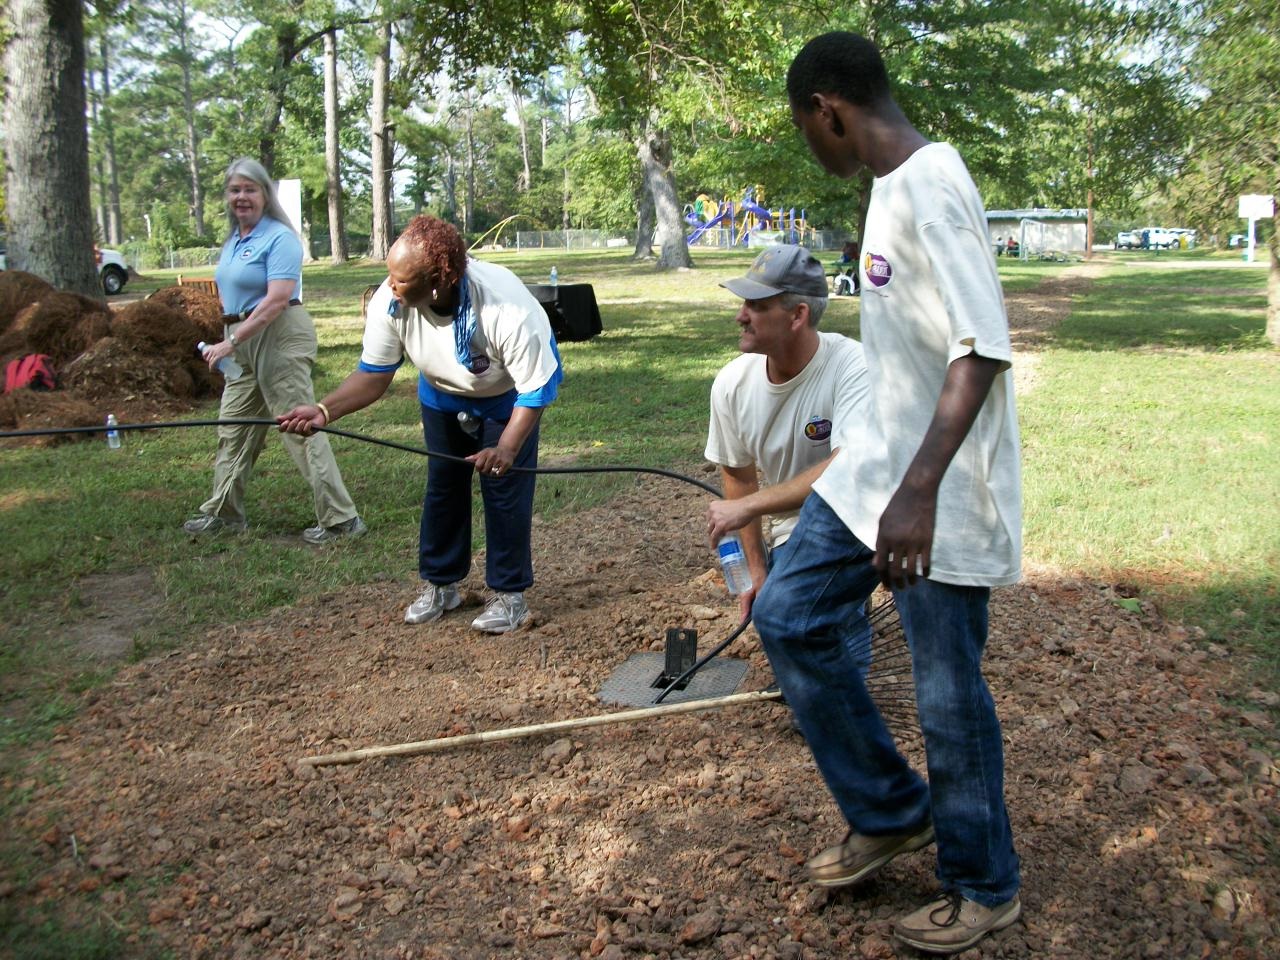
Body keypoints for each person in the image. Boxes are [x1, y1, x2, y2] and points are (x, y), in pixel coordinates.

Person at [754, 32, 1023, 955]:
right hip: (875, 472)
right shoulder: (884, 193)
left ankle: (985, 884)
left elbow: (981, 346)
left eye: (806, 131)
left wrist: (917, 493)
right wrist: (888, 479)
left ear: (827, 108)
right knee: (788, 612)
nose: (811, 148)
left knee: (946, 689)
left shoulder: (932, 184)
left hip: (932, 491)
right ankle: (892, 808)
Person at [278, 215, 562, 634]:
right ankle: (442, 585)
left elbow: (536, 389)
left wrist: (506, 447)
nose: (390, 285)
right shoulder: (390, 301)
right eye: (391, 275)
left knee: (504, 491)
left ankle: (509, 595)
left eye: (402, 280)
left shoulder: (505, 307)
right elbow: (374, 375)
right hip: (441, 395)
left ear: (439, 281)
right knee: (444, 487)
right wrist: (324, 410)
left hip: (507, 399)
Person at [184, 157, 364, 544]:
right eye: (235, 190)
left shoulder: (279, 237)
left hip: (278, 335)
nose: (242, 197)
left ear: (266, 194)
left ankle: (341, 520)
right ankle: (224, 513)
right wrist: (231, 339)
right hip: (244, 339)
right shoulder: (234, 240)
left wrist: (231, 341)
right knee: (233, 428)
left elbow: (277, 299)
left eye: (250, 189)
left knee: (299, 424)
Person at [703, 244, 869, 626]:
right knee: (777, 617)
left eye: (757, 306)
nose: (740, 317)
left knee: (804, 623)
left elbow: (848, 465)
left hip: (855, 519)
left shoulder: (852, 366)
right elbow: (739, 477)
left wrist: (751, 505)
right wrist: (757, 571)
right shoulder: (732, 384)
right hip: (791, 532)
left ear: (798, 315)